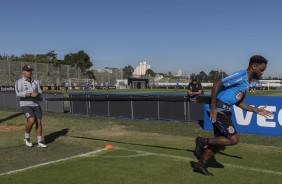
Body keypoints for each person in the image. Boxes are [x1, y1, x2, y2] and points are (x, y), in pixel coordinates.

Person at [193, 55, 272, 176]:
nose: (262, 73)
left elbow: (239, 102)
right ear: (253, 66)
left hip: (225, 110)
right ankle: (201, 141)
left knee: (219, 141)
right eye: (261, 70)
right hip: (219, 110)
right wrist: (213, 108)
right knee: (233, 139)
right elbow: (217, 84)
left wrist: (256, 110)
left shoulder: (246, 83)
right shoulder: (241, 75)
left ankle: (200, 164)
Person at [15, 65, 47, 148]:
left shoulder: (35, 82)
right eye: (28, 71)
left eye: (30, 71)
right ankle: (27, 137)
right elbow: (18, 93)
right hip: (25, 104)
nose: (30, 72)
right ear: (23, 72)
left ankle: (40, 141)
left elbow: (40, 91)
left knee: (39, 122)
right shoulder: (19, 81)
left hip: (36, 104)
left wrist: (37, 94)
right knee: (31, 120)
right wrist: (29, 94)